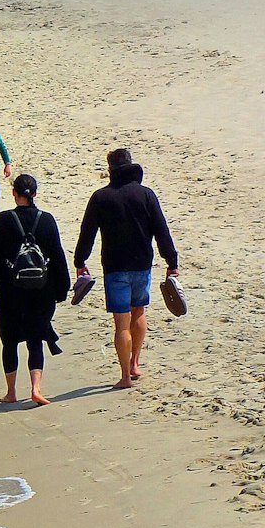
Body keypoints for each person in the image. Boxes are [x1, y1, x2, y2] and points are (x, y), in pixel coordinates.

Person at [74, 148, 182, 389]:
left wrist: (80, 262)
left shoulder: (100, 197)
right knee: (139, 312)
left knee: (121, 324)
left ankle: (124, 377)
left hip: (114, 267)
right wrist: (171, 262)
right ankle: (135, 363)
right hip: (142, 264)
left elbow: (87, 234)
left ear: (110, 170)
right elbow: (161, 231)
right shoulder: (146, 195)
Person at [0, 174, 69, 405]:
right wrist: (62, 289)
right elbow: (57, 256)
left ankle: (11, 392)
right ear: (34, 194)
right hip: (42, 290)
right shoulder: (47, 220)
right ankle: (36, 389)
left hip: (10, 290)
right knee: (36, 338)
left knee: (10, 341)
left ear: (14, 193)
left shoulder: (4, 220)